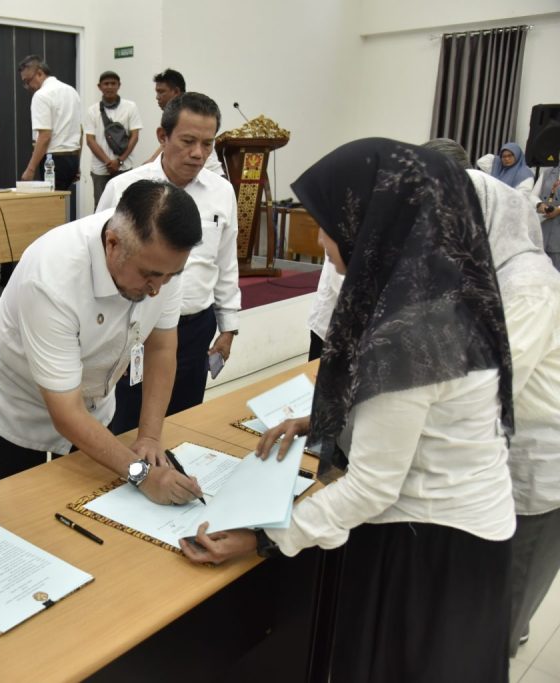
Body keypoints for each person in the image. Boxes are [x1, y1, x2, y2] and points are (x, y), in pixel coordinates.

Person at [180, 138, 516, 682]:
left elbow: (372, 487)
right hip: (462, 528)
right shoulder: (439, 288)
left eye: (328, 224)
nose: (320, 240)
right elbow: (423, 411)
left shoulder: (408, 331)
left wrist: (262, 539)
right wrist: (321, 421)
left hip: (433, 541)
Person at [0, 179, 205, 506]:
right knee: (25, 507)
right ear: (112, 244)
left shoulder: (160, 263)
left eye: (170, 276)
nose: (157, 289)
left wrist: (150, 437)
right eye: (149, 276)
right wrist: (142, 474)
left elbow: (162, 348)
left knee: (86, 498)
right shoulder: (51, 276)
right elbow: (66, 412)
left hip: (92, 394)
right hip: (21, 399)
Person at [425, 136, 560, 656]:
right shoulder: (484, 274)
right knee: (479, 594)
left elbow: (485, 384)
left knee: (509, 600)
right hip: (491, 457)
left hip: (536, 466)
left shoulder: (528, 286)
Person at [97, 93, 240, 433]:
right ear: (163, 136)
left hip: (195, 327)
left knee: (183, 422)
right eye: (188, 141)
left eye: (208, 144)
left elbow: (226, 263)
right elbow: (101, 259)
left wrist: (228, 326)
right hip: (136, 326)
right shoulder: (124, 188)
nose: (198, 153)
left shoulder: (222, 192)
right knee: (125, 423)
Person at [17, 55, 82, 194]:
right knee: (62, 202)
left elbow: (45, 136)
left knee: (52, 204)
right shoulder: (72, 91)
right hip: (72, 158)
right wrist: (77, 163)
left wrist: (30, 169)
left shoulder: (41, 95)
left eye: (28, 81)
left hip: (53, 161)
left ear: (40, 73)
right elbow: (79, 130)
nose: (28, 87)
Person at [143, 69, 224, 177]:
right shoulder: (174, 116)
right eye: (188, 141)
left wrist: (149, 164)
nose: (157, 97)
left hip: (210, 176)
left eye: (161, 91)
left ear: (176, 91)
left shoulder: (191, 114)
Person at [85, 70, 142, 206]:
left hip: (124, 167)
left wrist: (120, 161)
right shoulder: (92, 110)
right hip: (100, 169)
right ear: (99, 86)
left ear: (119, 85)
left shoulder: (130, 107)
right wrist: (108, 162)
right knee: (101, 206)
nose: (109, 87)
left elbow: (135, 136)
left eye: (113, 83)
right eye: (106, 84)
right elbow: (90, 140)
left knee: (124, 207)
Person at [532, 164, 560, 270]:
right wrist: (539, 204)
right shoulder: (548, 173)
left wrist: (558, 210)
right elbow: (533, 195)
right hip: (544, 225)